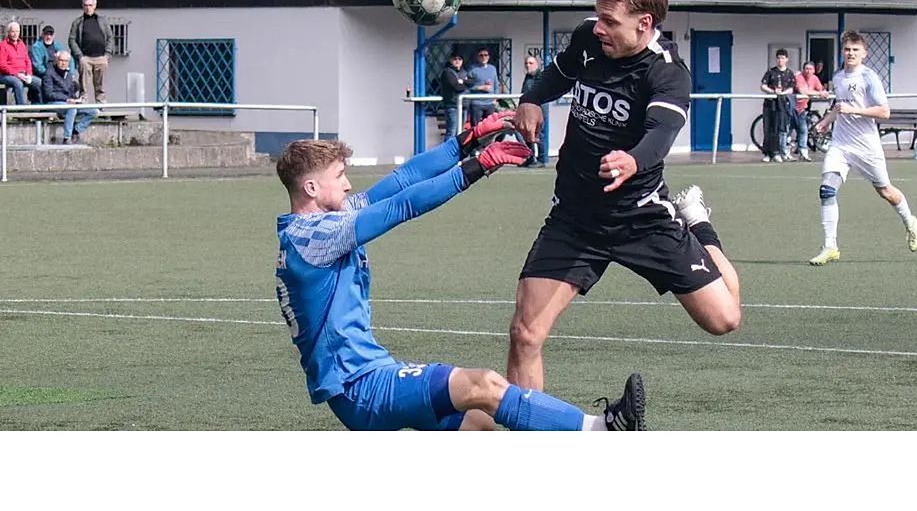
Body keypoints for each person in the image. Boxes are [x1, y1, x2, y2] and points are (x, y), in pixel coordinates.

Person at [274, 113, 646, 431]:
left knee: (478, 424)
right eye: (340, 176)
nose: (348, 184)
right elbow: (401, 206)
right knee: (481, 385)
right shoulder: (316, 235)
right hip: (360, 386)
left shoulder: (328, 220)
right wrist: (477, 166)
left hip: (370, 374)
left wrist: (466, 141)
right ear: (310, 187)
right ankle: (605, 430)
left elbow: (404, 179)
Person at [508, 0, 742, 391]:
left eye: (610, 22)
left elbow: (661, 134)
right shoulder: (587, 38)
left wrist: (633, 160)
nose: (599, 28)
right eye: (598, 16)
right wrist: (530, 100)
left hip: (642, 217)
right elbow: (556, 75)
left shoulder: (668, 72)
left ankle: (698, 224)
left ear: (644, 23)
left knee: (725, 319)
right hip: (575, 218)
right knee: (525, 334)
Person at [808, 30, 917, 266]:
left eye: (855, 50)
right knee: (827, 190)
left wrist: (855, 111)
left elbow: (884, 111)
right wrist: (825, 122)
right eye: (847, 49)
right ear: (843, 51)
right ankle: (830, 246)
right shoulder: (838, 77)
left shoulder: (869, 78)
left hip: (866, 146)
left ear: (864, 54)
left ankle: (910, 221)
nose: (851, 53)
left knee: (886, 191)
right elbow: (839, 107)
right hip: (841, 144)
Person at [41, 51, 98, 144]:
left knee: (93, 111)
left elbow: (71, 92)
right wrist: (66, 99)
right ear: (56, 60)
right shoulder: (49, 73)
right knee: (72, 109)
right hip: (54, 102)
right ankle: (67, 138)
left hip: (68, 102)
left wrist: (79, 99)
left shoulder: (69, 74)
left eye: (66, 61)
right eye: (61, 60)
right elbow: (48, 94)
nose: (63, 63)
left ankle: (76, 131)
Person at [68, 0, 114, 104]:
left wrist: (107, 55)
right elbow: (72, 39)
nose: (88, 8)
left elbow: (110, 37)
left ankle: (101, 103)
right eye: (85, 5)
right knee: (83, 83)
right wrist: (79, 56)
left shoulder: (102, 21)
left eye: (90, 5)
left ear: (95, 6)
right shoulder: (78, 22)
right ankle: (84, 101)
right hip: (85, 57)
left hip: (101, 57)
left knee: (100, 83)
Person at [760, 49, 795, 162]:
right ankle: (767, 154)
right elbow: (763, 85)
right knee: (768, 128)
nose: (781, 60)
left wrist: (782, 93)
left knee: (779, 128)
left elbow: (791, 89)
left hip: (782, 105)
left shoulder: (789, 73)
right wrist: (772, 91)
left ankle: (778, 152)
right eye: (779, 58)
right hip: (770, 104)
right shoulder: (771, 72)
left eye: (783, 58)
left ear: (787, 59)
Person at [792, 60, 829, 161]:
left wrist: (824, 92)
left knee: (803, 130)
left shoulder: (814, 78)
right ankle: (785, 151)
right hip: (791, 107)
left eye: (810, 69)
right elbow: (803, 91)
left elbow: (820, 89)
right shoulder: (799, 77)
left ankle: (803, 151)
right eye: (806, 69)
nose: (808, 71)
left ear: (814, 70)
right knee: (787, 130)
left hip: (803, 107)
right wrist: (818, 93)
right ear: (803, 69)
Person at [0, 22, 43, 104]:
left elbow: (27, 61)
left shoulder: (22, 44)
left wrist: (29, 74)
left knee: (39, 82)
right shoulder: (3, 45)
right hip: (7, 75)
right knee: (18, 83)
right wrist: (17, 74)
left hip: (24, 74)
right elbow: (2, 65)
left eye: (17, 31)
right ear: (8, 32)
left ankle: (41, 107)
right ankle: (21, 109)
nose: (15, 34)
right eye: (13, 31)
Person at [519, 55, 545, 167]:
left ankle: (541, 159)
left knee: (539, 134)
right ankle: (530, 157)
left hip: (539, 108)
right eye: (526, 63)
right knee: (527, 133)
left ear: (536, 64)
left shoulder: (541, 76)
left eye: (531, 63)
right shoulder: (527, 77)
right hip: (527, 110)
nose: (528, 65)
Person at [438, 50, 469, 141]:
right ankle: (446, 154)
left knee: (460, 131)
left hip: (463, 106)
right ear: (450, 60)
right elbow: (456, 87)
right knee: (451, 131)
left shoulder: (464, 72)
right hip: (452, 105)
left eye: (459, 59)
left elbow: (473, 82)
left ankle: (457, 153)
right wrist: (466, 84)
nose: (457, 61)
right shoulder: (447, 72)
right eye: (455, 59)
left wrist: (463, 82)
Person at [465, 47, 498, 128]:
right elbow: (466, 86)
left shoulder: (492, 68)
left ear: (489, 57)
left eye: (486, 55)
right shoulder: (472, 69)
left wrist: (495, 99)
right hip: (477, 103)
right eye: (481, 55)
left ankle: (489, 141)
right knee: (475, 128)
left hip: (490, 103)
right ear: (477, 57)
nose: (484, 57)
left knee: (490, 127)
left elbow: (496, 84)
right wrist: (480, 88)